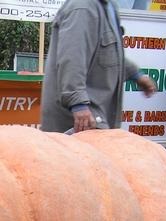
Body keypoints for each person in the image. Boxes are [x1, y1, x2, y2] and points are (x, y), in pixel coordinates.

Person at [40, 0, 156, 133]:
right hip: (77, 120)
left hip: (93, 117)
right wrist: (78, 104)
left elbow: (109, 54)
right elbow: (72, 59)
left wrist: (137, 75)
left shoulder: (108, 6)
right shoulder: (82, 7)